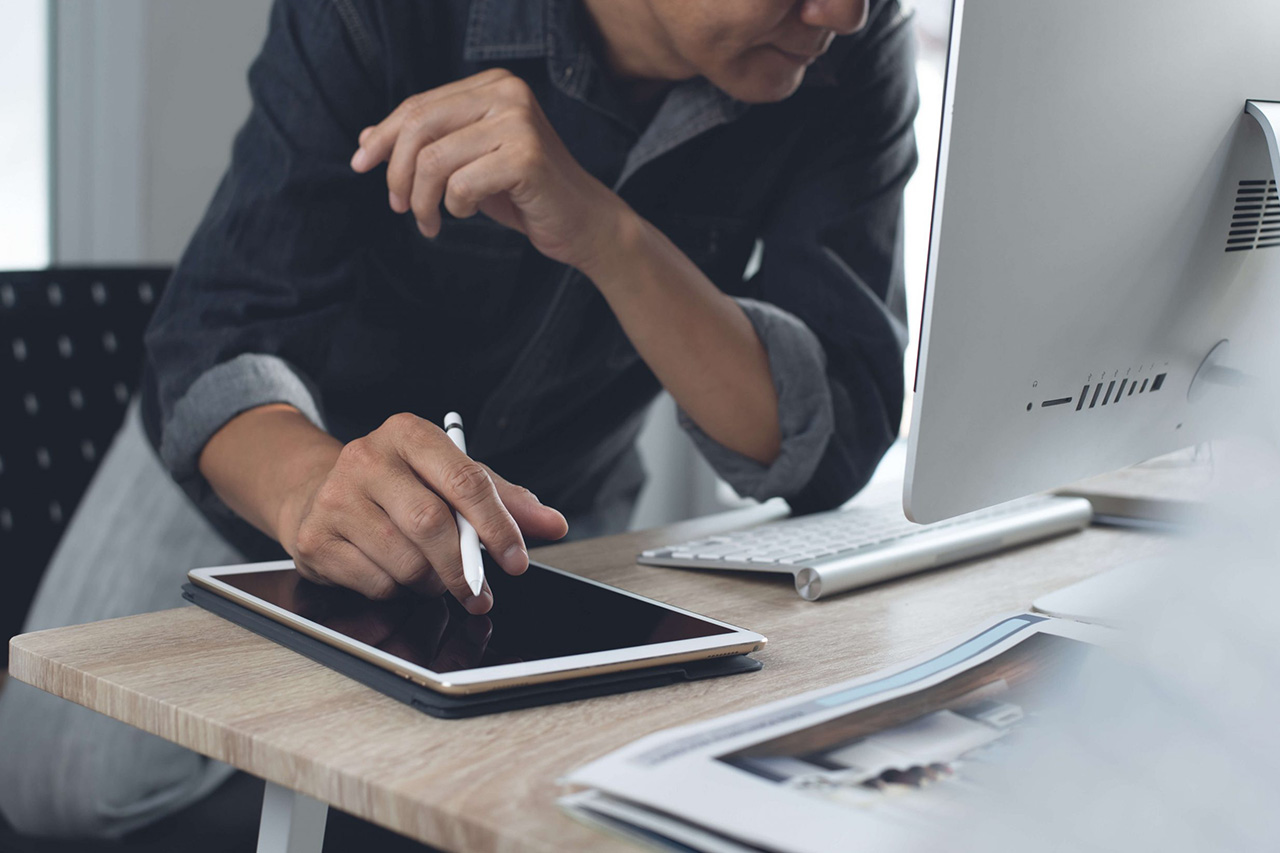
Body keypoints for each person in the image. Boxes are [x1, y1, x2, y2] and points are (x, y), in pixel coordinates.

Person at [0, 0, 918, 839]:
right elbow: (216, 331)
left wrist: (608, 234)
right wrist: (320, 489)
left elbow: (832, 432)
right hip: (267, 460)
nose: (841, 10)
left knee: (534, 802)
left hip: (544, 516)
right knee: (66, 783)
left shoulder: (852, 46)